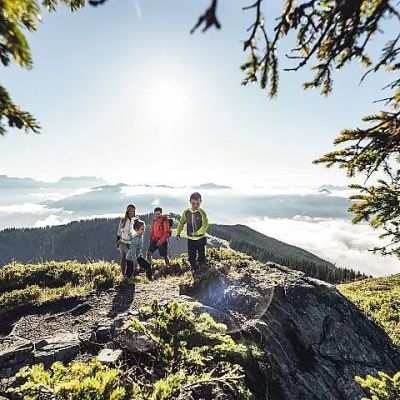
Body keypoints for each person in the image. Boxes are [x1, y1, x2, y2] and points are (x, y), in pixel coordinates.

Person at [176, 192, 209, 271]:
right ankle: (194, 272)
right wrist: (178, 233)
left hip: (201, 239)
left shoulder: (202, 212)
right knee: (191, 258)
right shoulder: (186, 212)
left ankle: (203, 272)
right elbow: (181, 223)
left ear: (201, 202)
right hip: (190, 239)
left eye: (198, 204)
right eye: (193, 204)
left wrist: (198, 233)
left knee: (201, 257)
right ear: (190, 202)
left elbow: (205, 225)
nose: (195, 206)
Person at [116, 204, 136, 275]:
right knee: (123, 255)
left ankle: (131, 273)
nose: (132, 212)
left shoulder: (135, 220)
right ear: (127, 211)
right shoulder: (123, 220)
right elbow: (119, 231)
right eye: (131, 211)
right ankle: (123, 273)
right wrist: (117, 241)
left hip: (131, 241)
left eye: (133, 211)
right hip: (123, 241)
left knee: (132, 257)